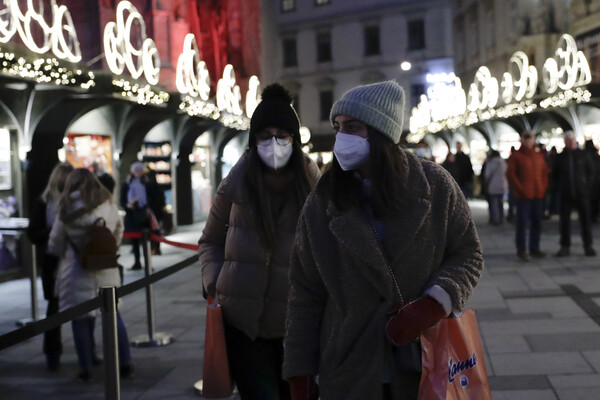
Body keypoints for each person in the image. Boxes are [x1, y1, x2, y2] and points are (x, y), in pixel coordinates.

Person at [282, 81, 483, 400]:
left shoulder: (434, 185)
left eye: (353, 127)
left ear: (380, 132)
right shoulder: (323, 201)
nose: (341, 137)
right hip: (349, 365)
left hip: (424, 359)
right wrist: (299, 373)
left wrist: (434, 302)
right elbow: (304, 293)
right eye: (338, 127)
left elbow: (468, 254)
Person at [198, 83, 320, 400]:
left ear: (294, 139)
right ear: (254, 140)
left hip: (296, 327)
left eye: (282, 134)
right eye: (265, 135)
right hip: (242, 325)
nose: (274, 142)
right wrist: (214, 283)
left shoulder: (312, 185)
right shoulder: (235, 183)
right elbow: (210, 240)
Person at [47, 168, 134, 382]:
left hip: (77, 271)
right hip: (106, 269)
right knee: (114, 316)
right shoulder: (108, 204)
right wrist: (106, 249)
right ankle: (124, 362)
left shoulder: (66, 208)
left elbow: (55, 243)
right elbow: (119, 231)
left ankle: (86, 367)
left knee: (80, 321)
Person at [26, 162, 74, 371]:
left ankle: (87, 352)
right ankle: (53, 353)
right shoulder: (44, 202)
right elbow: (34, 234)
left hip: (73, 260)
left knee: (83, 307)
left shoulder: (75, 201)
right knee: (54, 310)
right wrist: (53, 231)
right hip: (53, 260)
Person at [505, 130, 548, 260]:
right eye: (526, 138)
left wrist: (543, 187)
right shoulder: (517, 156)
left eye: (530, 138)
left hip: (537, 195)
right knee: (522, 224)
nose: (528, 141)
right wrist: (520, 188)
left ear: (534, 140)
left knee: (537, 223)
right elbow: (510, 174)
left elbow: (544, 173)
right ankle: (522, 249)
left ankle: (534, 248)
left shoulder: (538, 156)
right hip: (524, 196)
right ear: (522, 140)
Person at [552, 132, 596, 257]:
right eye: (568, 140)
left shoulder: (583, 155)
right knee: (564, 221)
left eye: (572, 140)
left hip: (582, 193)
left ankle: (588, 245)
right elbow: (555, 175)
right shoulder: (561, 157)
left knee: (585, 220)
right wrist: (559, 187)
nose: (570, 142)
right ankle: (565, 246)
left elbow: (591, 172)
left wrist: (586, 186)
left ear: (575, 141)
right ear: (565, 142)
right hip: (566, 194)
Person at [120, 162, 151, 270]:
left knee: (146, 241)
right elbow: (122, 200)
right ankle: (137, 262)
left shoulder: (147, 183)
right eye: (136, 170)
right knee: (135, 242)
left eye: (140, 170)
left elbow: (152, 197)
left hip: (144, 215)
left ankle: (148, 263)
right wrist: (129, 205)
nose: (138, 172)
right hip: (132, 215)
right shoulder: (127, 183)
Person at [484, 150, 507, 225]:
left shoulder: (490, 162)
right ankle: (501, 218)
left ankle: (495, 219)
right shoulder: (503, 162)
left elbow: (487, 174)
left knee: (494, 203)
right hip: (502, 185)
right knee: (500, 203)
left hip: (493, 185)